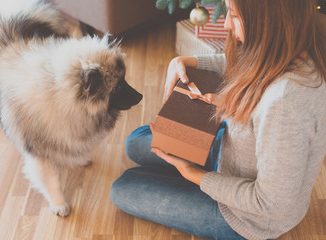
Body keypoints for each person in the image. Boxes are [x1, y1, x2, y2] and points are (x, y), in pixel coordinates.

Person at [110, 0, 326, 239]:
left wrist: (192, 174)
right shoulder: (288, 41)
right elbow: (245, 62)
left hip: (248, 216)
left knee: (122, 188)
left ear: (268, 21)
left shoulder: (286, 103)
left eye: (233, 15)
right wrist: (186, 61)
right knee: (134, 142)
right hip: (231, 153)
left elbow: (271, 205)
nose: (226, 24)